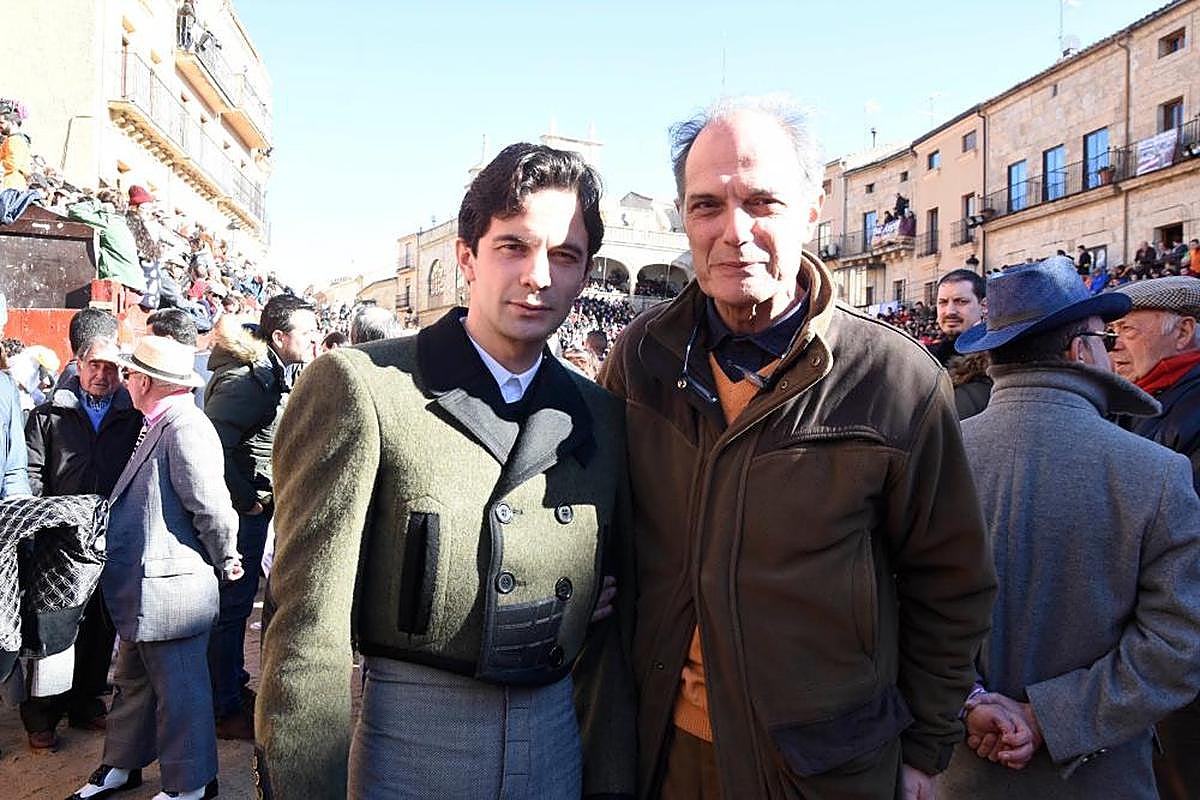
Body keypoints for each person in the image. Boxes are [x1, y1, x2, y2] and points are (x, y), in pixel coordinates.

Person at [599, 96, 996, 799]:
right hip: (664, 753)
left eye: (761, 202)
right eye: (707, 208)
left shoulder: (896, 379)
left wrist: (925, 751)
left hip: (822, 773)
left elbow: (950, 583)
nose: (735, 233)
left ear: (812, 207)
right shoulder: (642, 357)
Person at [255, 142, 635, 799]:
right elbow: (306, 629)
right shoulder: (365, 387)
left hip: (555, 742)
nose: (539, 276)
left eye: (564, 256)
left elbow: (611, 637)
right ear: (467, 257)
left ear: (584, 274)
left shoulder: (599, 415)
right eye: (514, 246)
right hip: (411, 744)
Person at [940, 256, 1200, 798]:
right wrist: (1045, 719)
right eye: (1107, 336)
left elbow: (894, 615)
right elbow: (1176, 647)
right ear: (1081, 351)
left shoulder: (938, 456)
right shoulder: (1155, 472)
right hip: (1099, 779)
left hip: (960, 774)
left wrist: (972, 704)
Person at [69, 336, 241, 800]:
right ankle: (121, 765)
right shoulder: (162, 421)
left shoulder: (184, 427)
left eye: (128, 374)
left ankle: (192, 784)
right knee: (134, 684)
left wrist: (227, 560)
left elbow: (213, 509)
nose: (123, 381)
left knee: (180, 690)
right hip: (146, 590)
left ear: (144, 381)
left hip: (171, 591)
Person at [19, 328, 142, 751]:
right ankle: (42, 714)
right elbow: (34, 473)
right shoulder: (48, 414)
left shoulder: (132, 416)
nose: (102, 375)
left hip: (109, 536)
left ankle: (85, 700)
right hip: (57, 541)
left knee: (99, 624)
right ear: (79, 365)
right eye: (95, 366)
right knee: (53, 627)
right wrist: (36, 527)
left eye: (111, 368)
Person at [202, 294, 318, 739]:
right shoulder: (249, 381)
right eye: (306, 333)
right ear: (279, 337)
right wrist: (247, 498)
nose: (312, 340)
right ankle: (222, 707)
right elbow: (215, 445)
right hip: (239, 512)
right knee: (232, 607)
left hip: (250, 507)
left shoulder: (268, 372)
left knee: (235, 602)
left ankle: (231, 686)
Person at [1107, 277, 1200, 800]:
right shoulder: (1136, 401)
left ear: (1183, 331)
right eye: (1112, 330)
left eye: (1129, 330)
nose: (1115, 343)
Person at [0, 98, 32, 191]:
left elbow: (12, 164)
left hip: (9, 186)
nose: (0, 126)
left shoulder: (14, 140)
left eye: (2, 123)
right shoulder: (12, 140)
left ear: (12, 122)